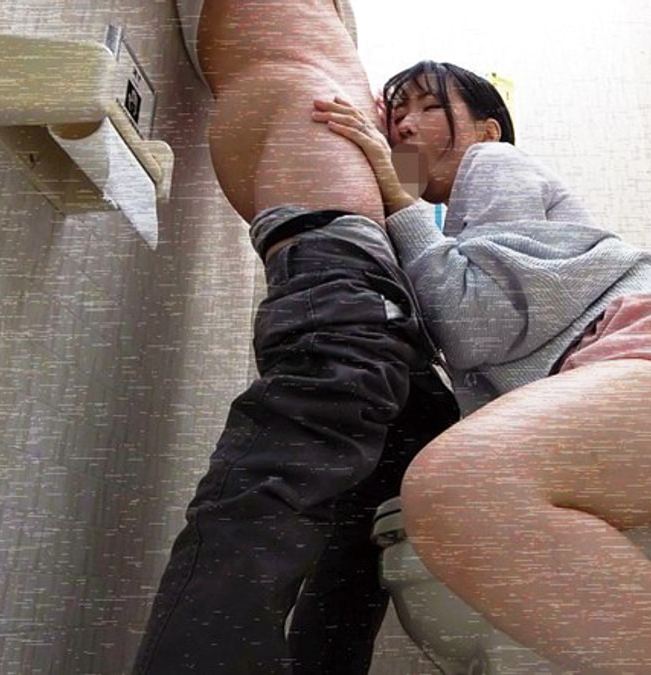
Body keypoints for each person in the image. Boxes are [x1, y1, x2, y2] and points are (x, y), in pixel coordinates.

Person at [310, 59, 651, 674]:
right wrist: (393, 183)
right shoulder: (447, 225)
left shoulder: (492, 162)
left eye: (429, 107)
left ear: (487, 129)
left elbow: (476, 321)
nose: (404, 127)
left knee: (457, 488)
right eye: (396, 116)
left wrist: (399, 192)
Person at [132, 2, 459, 672]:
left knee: (400, 476)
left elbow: (418, 192)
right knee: (287, 469)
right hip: (339, 254)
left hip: (352, 260)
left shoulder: (327, 41)